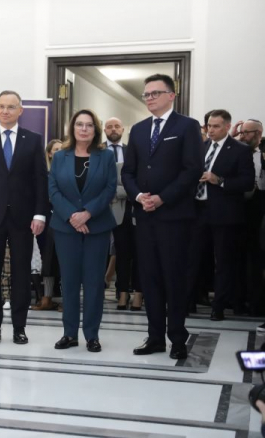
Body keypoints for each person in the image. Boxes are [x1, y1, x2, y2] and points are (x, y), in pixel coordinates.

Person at [122, 73, 204, 360]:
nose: (150, 98)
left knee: (174, 278)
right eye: (146, 94)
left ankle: (178, 338)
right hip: (144, 216)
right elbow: (128, 171)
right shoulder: (139, 129)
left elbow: (192, 169)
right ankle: (155, 337)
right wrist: (138, 196)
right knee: (150, 278)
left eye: (156, 93)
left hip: (174, 217)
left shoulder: (187, 126)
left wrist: (162, 197)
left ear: (171, 95)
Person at [0, 90, 48, 345]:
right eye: (1, 106)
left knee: (21, 274)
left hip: (24, 219)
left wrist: (39, 214)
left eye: (11, 107)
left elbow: (40, 180)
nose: (5, 111)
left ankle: (19, 327)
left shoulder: (34, 140)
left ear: (20, 110)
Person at [49, 109, 117, 352]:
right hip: (65, 228)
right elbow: (53, 189)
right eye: (80, 124)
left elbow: (109, 189)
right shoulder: (60, 157)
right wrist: (72, 216)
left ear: (95, 129)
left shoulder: (106, 156)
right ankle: (69, 334)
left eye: (89, 125)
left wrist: (87, 213)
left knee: (93, 283)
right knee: (68, 283)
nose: (84, 129)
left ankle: (92, 335)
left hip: (96, 227)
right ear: (73, 128)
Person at [185, 109, 254, 320]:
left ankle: (219, 306)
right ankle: (189, 302)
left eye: (215, 126)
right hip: (198, 211)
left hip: (225, 215)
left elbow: (247, 182)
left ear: (226, 127)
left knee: (223, 262)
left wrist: (220, 180)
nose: (211, 130)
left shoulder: (240, 150)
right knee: (192, 258)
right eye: (208, 126)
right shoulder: (201, 147)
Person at [104, 118, 143, 311]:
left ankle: (138, 294)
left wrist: (126, 190)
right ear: (104, 130)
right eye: (109, 126)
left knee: (139, 254)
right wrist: (127, 190)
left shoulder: (133, 151)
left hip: (138, 211)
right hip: (111, 212)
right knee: (120, 255)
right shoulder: (98, 151)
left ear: (123, 129)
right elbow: (102, 184)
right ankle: (122, 293)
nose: (113, 129)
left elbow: (141, 181)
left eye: (116, 126)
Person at [233, 119, 265, 319]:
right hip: (238, 208)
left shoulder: (261, 155)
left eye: (247, 132)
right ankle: (237, 301)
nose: (243, 136)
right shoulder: (235, 152)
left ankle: (256, 302)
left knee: (257, 258)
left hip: (260, 209)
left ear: (258, 133)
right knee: (236, 257)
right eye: (241, 132)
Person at [31, 139, 62, 311]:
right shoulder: (43, 174)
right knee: (47, 260)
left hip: (67, 220)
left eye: (61, 149)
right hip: (46, 222)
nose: (58, 152)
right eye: (55, 149)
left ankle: (67, 300)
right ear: (49, 153)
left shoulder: (69, 171)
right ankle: (46, 298)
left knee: (65, 261)